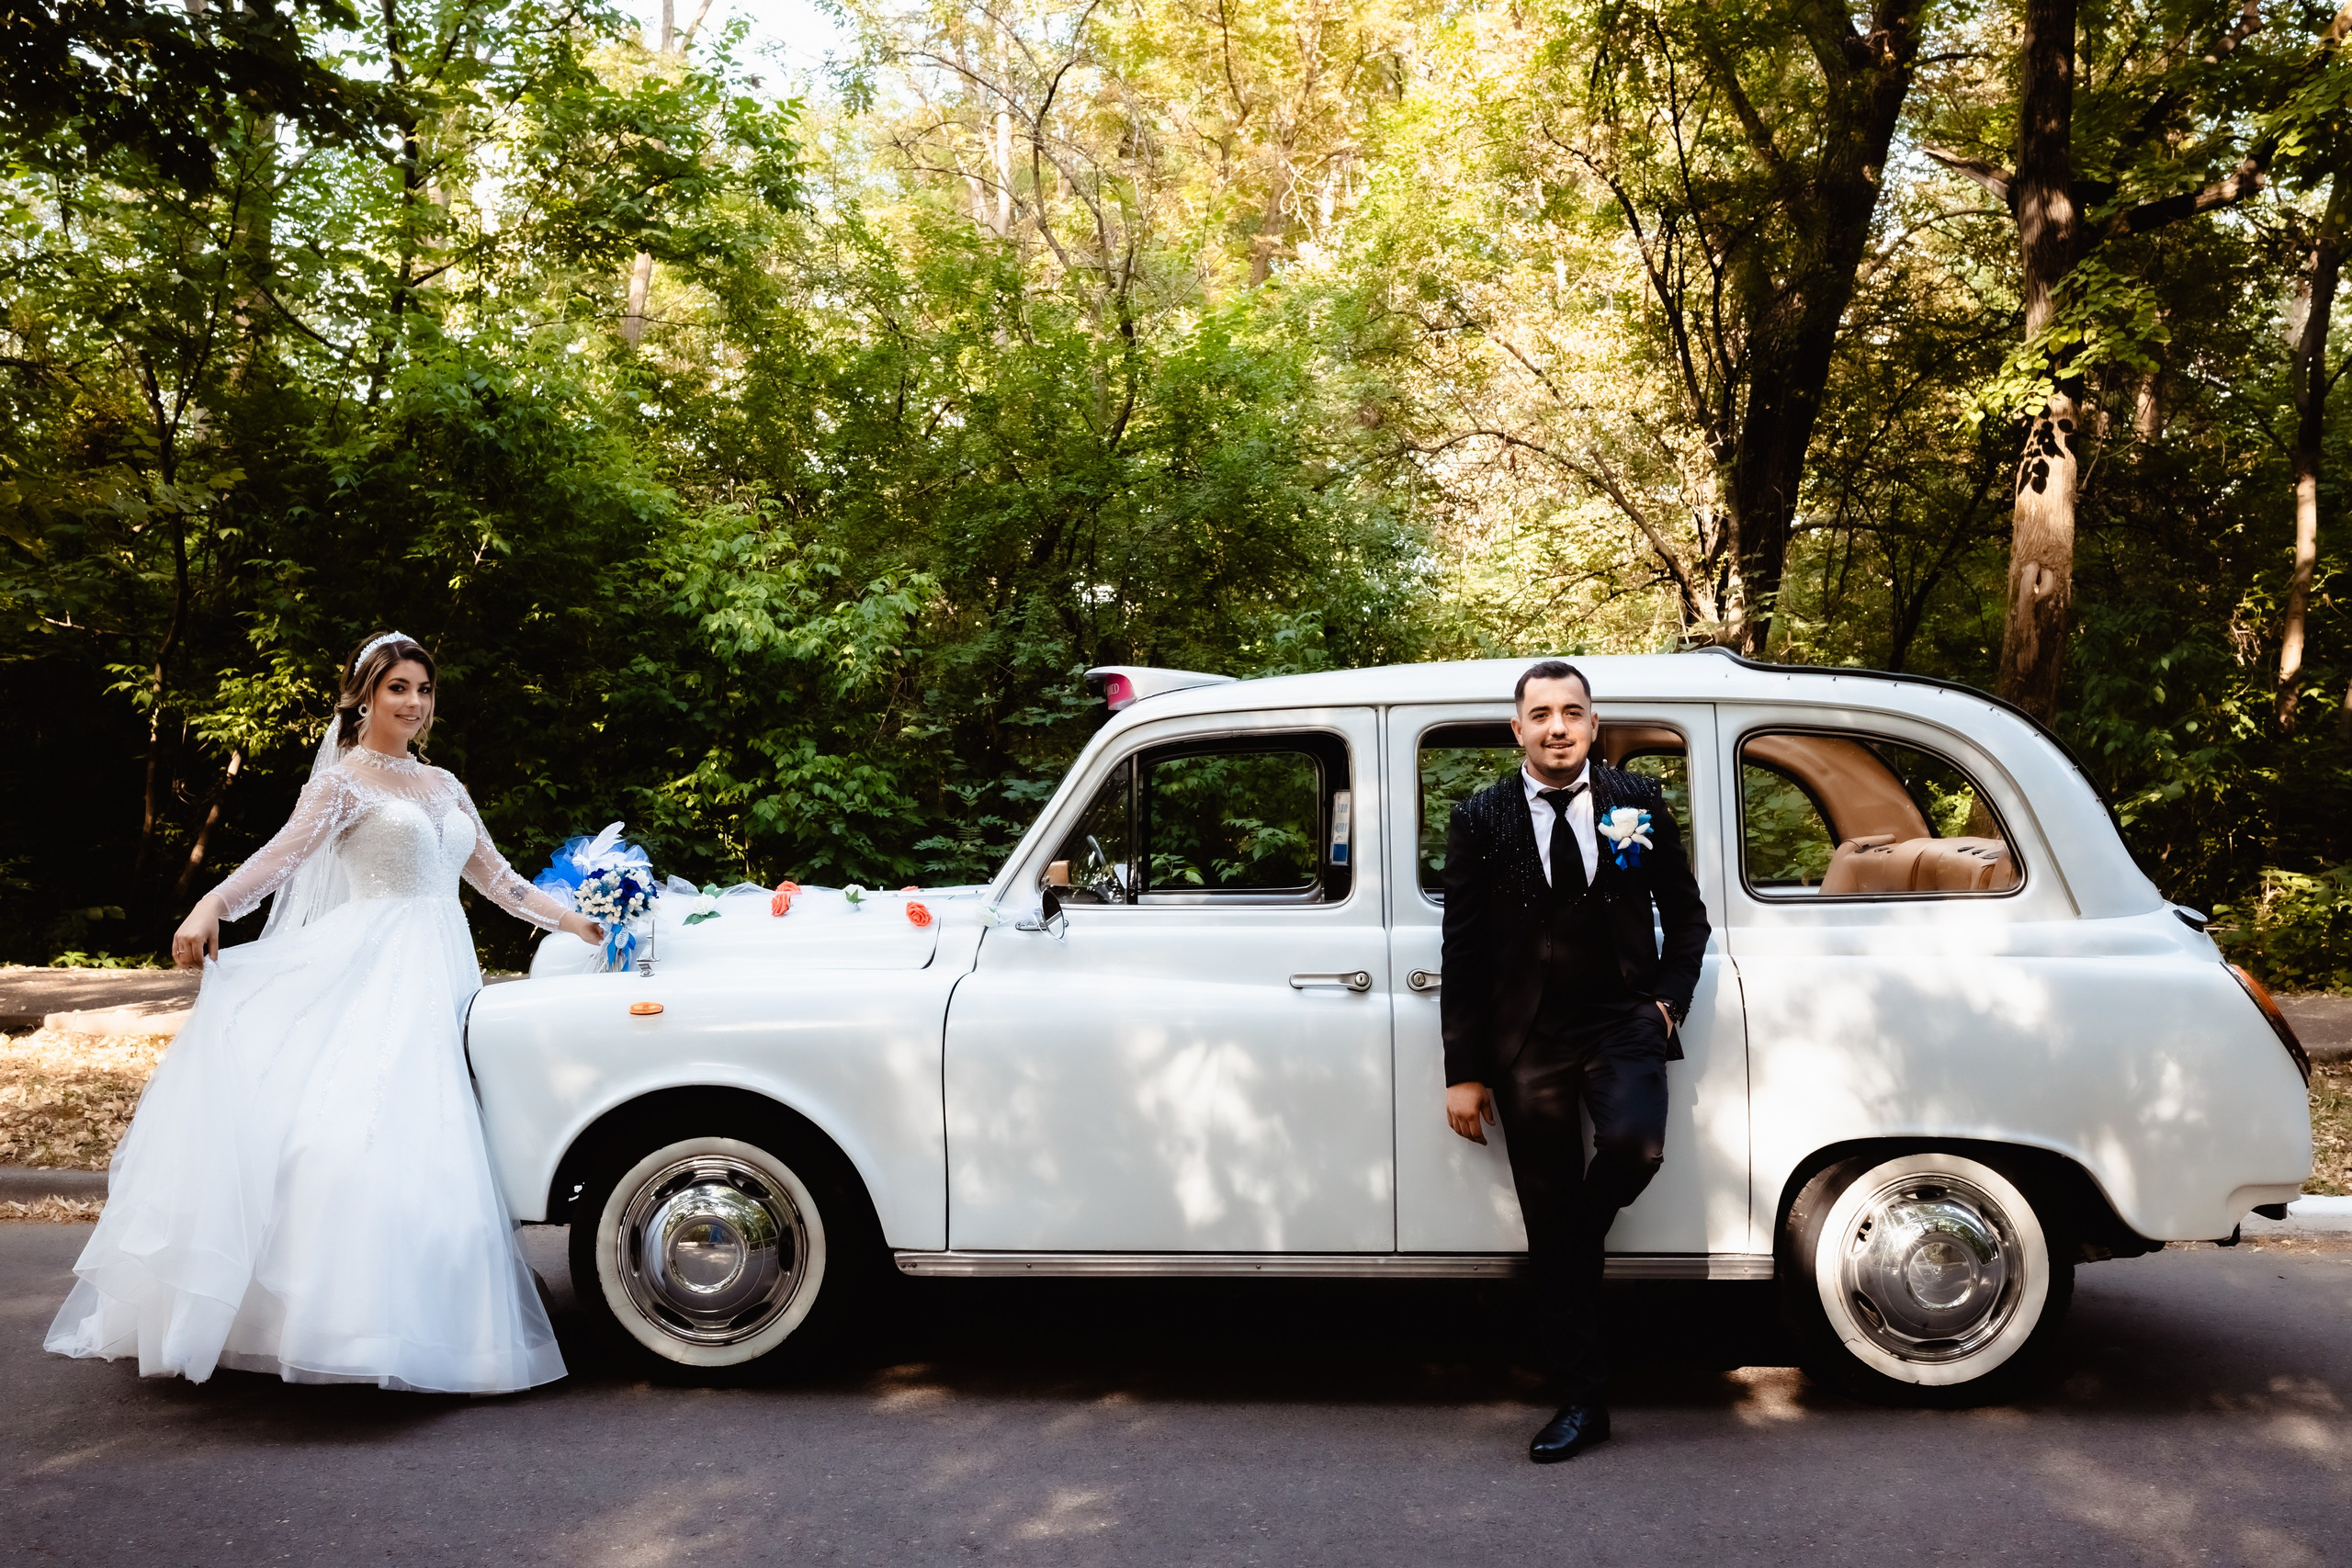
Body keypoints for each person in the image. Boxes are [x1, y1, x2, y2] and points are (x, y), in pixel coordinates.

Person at [46, 632, 605, 1393]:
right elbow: (281, 859)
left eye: (423, 690)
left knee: (442, 1141)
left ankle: (440, 1326)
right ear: (364, 696)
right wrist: (212, 903)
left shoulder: (444, 784)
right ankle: (337, 1327)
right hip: (373, 966)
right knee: (355, 1134)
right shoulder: (342, 784)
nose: (413, 703)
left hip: (443, 971)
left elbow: (499, 880)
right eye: (397, 689)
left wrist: (575, 920)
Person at [1441, 659, 1710, 1461]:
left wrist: (1667, 1003)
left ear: (1594, 725)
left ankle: (1567, 1245)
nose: (1558, 726)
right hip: (1529, 1036)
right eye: (1542, 714)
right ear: (1516, 728)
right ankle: (1583, 1398)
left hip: (1624, 1019)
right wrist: (1464, 1068)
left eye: (1573, 712)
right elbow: (1462, 952)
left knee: (1634, 1147)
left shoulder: (1639, 802)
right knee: (1546, 1203)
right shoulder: (1480, 816)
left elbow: (1687, 920)